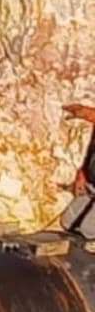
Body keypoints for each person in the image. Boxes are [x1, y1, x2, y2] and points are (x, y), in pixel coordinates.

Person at [61, 102, 95, 239]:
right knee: (69, 222)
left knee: (88, 230)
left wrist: (87, 112)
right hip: (91, 185)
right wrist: (82, 174)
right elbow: (92, 151)